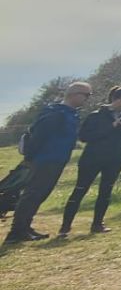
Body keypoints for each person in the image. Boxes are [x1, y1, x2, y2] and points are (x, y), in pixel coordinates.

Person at [6, 81, 92, 243]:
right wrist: (31, 158)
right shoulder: (56, 114)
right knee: (33, 194)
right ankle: (16, 232)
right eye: (86, 95)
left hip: (57, 160)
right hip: (45, 160)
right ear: (74, 94)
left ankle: (25, 227)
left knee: (40, 195)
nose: (87, 99)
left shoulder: (70, 114)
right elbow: (38, 137)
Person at [60, 85, 121, 235]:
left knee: (106, 191)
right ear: (114, 99)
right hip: (92, 158)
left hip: (116, 158)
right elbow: (84, 137)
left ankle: (97, 224)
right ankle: (65, 227)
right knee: (80, 190)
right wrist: (112, 126)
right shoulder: (96, 115)